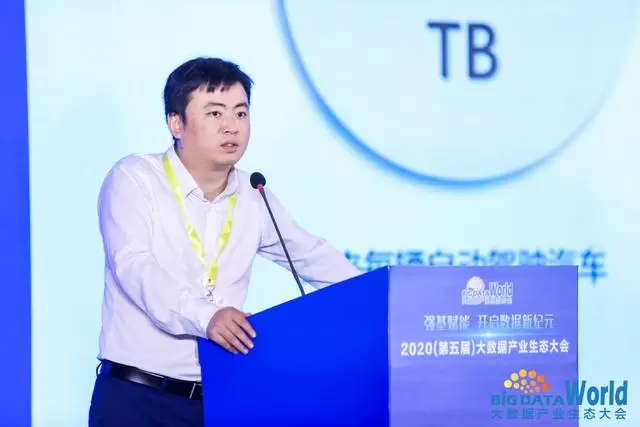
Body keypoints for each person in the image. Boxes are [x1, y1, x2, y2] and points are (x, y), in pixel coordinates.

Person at [88, 57, 361, 426]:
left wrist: (383, 299)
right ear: (176, 122)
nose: (232, 126)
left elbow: (312, 256)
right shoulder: (135, 179)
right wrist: (207, 317)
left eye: (241, 113)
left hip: (222, 399)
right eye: (215, 113)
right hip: (137, 399)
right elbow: (135, 267)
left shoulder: (253, 193)